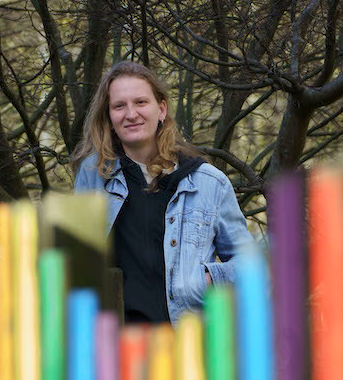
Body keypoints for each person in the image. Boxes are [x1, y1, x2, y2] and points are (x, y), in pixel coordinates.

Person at [72, 61, 253, 322]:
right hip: (117, 347)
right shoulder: (93, 175)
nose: (131, 114)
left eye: (141, 102)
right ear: (109, 117)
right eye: (119, 106)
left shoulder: (208, 182)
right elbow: (76, 264)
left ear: (161, 109)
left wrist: (209, 279)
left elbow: (250, 265)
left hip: (187, 344)